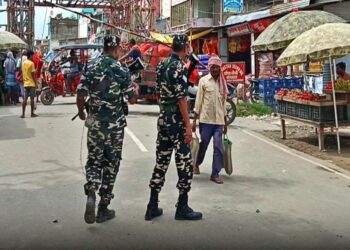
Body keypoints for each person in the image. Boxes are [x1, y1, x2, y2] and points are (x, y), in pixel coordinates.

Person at [76, 35, 137, 224]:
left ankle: (91, 191)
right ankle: (103, 207)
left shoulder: (91, 66)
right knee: (111, 164)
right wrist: (134, 88)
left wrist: (81, 112)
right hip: (115, 127)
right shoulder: (121, 69)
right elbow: (132, 99)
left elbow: (80, 93)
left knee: (94, 161)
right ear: (117, 48)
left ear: (103, 48)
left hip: (95, 124)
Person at [145, 34, 202, 221]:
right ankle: (182, 206)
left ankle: (152, 205)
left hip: (163, 119)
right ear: (185, 47)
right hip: (177, 121)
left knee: (161, 162)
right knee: (184, 163)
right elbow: (182, 98)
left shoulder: (162, 65)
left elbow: (161, 92)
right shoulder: (179, 67)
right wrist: (187, 125)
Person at [192, 55, 228, 184]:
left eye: (217, 67)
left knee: (218, 147)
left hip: (218, 121)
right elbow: (199, 101)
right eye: (212, 67)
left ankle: (215, 173)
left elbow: (224, 104)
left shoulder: (222, 83)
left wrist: (225, 122)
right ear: (209, 68)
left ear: (220, 68)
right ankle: (196, 163)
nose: (215, 70)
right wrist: (194, 120)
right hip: (205, 121)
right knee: (204, 145)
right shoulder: (203, 81)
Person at [21, 50, 38, 118]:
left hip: (25, 83)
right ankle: (32, 114)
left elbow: (23, 73)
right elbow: (33, 75)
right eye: (32, 55)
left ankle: (23, 114)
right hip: (31, 83)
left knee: (25, 99)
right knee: (32, 99)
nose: (33, 57)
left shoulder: (23, 63)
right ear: (30, 55)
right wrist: (36, 83)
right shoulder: (31, 63)